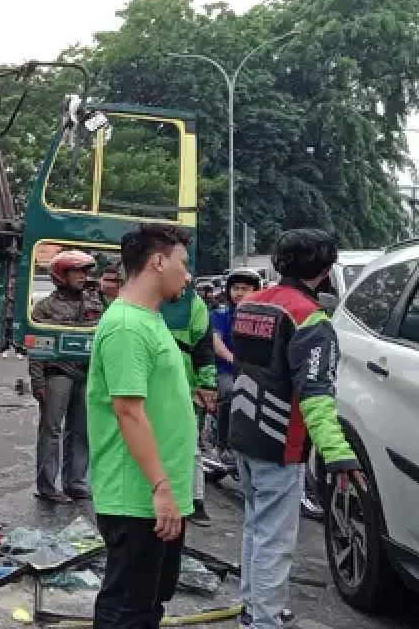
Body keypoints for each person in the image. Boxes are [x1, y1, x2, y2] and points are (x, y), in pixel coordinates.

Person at [228, 229, 363, 629]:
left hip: (242, 430)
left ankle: (253, 608)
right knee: (274, 538)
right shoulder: (309, 319)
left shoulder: (251, 303)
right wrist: (338, 455)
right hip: (278, 440)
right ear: (325, 270)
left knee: (256, 525)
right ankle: (265, 621)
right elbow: (317, 395)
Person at [87, 224, 196, 629]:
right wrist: (160, 488)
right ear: (158, 261)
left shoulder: (149, 320)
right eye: (182, 264)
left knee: (149, 603)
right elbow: (128, 412)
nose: (186, 275)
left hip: (160, 495)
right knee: (127, 610)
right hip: (138, 497)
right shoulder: (127, 327)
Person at [28, 250, 104, 503]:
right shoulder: (44, 307)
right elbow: (36, 347)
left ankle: (76, 483)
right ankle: (48, 486)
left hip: (86, 373)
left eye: (85, 271)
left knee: (81, 430)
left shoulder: (95, 303)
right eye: (77, 271)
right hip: (57, 373)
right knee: (51, 430)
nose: (83, 277)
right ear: (62, 274)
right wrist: (38, 381)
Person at [171, 291, 218, 527]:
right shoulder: (143, 296)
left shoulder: (194, 304)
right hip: (149, 384)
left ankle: (195, 500)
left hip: (185, 385)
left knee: (191, 445)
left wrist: (207, 384)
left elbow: (204, 346)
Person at [210, 268, 263, 468]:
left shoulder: (263, 315)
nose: (239, 293)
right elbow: (215, 341)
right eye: (236, 288)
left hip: (253, 370)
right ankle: (222, 445)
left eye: (245, 288)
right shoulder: (221, 314)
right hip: (225, 370)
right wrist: (233, 359)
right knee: (233, 392)